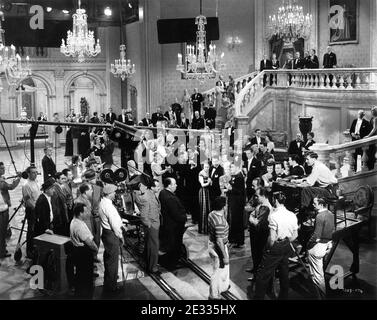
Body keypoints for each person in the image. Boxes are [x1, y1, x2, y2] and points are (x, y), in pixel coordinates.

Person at [254, 192, 298, 300]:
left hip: (276, 247)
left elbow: (272, 238)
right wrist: (286, 241)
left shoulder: (273, 216)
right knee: (284, 272)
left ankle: (258, 297)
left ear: (276, 201)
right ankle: (284, 296)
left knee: (262, 274)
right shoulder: (292, 215)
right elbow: (295, 235)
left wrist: (269, 248)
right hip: (287, 245)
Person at [99, 184, 124, 294]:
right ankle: (111, 288)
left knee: (109, 260)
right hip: (112, 234)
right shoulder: (108, 206)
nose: (115, 194)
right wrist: (120, 236)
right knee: (112, 262)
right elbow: (114, 224)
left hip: (106, 233)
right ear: (109, 194)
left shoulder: (103, 202)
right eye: (114, 192)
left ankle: (109, 283)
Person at [307, 197, 335, 297]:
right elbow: (332, 230)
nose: (313, 205)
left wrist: (308, 245)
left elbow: (316, 236)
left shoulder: (319, 216)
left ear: (321, 204)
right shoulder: (331, 214)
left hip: (318, 248)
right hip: (327, 245)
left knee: (317, 276)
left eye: (315, 203)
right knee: (319, 271)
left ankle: (321, 296)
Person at [70, 203, 98, 298]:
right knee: (86, 278)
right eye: (85, 211)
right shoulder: (79, 226)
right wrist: (95, 248)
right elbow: (89, 242)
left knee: (81, 276)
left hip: (79, 252)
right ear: (80, 213)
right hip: (84, 253)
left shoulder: (75, 221)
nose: (88, 213)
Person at [134, 178, 161, 274]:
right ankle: (153, 268)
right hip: (152, 224)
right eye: (157, 186)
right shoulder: (147, 197)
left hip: (155, 223)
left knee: (150, 245)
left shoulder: (151, 194)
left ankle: (148, 263)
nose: (159, 187)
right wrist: (149, 225)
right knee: (154, 247)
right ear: (152, 187)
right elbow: (144, 216)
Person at [159, 177, 187, 269]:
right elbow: (176, 214)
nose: (176, 185)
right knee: (175, 245)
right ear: (169, 186)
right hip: (174, 226)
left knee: (170, 244)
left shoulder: (163, 192)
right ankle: (172, 264)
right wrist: (184, 218)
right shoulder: (169, 197)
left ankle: (170, 262)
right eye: (174, 184)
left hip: (168, 224)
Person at [247, 188, 272, 281]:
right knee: (254, 252)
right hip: (256, 232)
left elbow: (256, 221)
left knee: (259, 254)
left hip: (261, 234)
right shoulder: (260, 205)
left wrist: (251, 218)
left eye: (258, 196)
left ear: (264, 196)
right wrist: (252, 217)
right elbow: (252, 214)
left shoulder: (266, 207)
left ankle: (257, 275)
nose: (256, 197)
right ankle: (255, 269)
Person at [208, 196, 230, 300]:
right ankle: (214, 296)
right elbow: (219, 241)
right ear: (223, 206)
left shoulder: (212, 214)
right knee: (216, 272)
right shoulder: (219, 221)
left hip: (212, 244)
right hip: (218, 248)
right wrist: (225, 256)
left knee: (221, 270)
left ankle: (222, 287)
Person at [0, 163, 21, 258]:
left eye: (4, 168)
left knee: (3, 231)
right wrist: (18, 179)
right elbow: (11, 187)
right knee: (2, 231)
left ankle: (2, 250)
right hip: (2, 210)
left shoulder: (2, 180)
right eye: (1, 168)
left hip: (4, 208)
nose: (3, 169)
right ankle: (2, 252)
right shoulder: (1, 182)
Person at [21, 166, 41, 258]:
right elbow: (28, 201)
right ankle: (29, 250)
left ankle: (36, 247)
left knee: (37, 228)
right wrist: (36, 210)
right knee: (31, 230)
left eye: (36, 172)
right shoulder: (26, 185)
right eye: (33, 172)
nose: (35, 174)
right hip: (32, 210)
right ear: (28, 174)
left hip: (38, 208)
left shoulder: (36, 182)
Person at [228, 163, 245, 248]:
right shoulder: (235, 176)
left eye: (232, 167)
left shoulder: (239, 177)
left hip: (237, 203)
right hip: (234, 201)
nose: (231, 169)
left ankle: (237, 240)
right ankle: (234, 240)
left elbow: (240, 191)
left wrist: (231, 188)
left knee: (237, 221)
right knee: (234, 221)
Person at [198, 162, 212, 234]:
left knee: (208, 208)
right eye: (205, 167)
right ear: (203, 167)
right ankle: (203, 228)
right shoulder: (201, 173)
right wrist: (209, 182)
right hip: (203, 191)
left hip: (207, 191)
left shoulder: (208, 173)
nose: (207, 168)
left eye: (208, 167)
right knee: (204, 209)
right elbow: (203, 184)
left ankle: (208, 228)